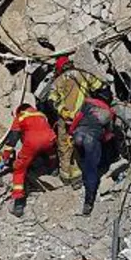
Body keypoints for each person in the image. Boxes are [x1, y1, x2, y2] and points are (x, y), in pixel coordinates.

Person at [50, 57, 106, 185]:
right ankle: (81, 176)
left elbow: (51, 100)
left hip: (66, 118)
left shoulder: (57, 81)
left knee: (64, 145)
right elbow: (100, 87)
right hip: (85, 116)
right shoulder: (84, 74)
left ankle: (66, 176)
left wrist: (62, 111)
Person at [0, 103, 57, 217]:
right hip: (50, 138)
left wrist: (5, 157)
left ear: (19, 111)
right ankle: (53, 169)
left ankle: (19, 203)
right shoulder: (41, 114)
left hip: (32, 143)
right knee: (51, 152)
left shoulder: (20, 117)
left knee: (19, 169)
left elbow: (12, 141)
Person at [68, 86, 116, 216]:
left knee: (83, 159)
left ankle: (78, 179)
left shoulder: (88, 102)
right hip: (91, 139)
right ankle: (88, 202)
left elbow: (78, 117)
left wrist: (71, 131)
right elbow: (108, 134)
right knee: (92, 170)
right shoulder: (109, 112)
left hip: (78, 135)